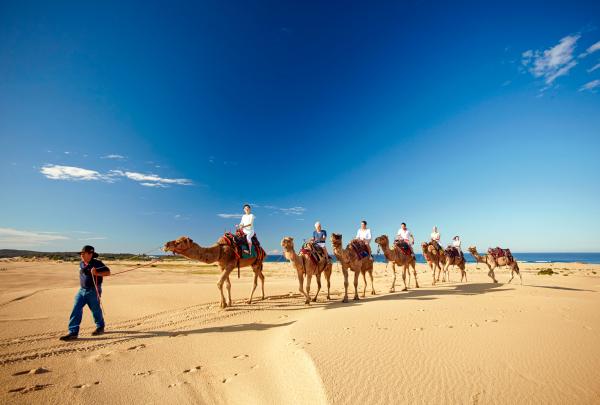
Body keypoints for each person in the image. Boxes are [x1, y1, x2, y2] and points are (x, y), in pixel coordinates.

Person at [60, 245, 111, 341]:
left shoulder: (97, 263)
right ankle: (73, 332)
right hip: (82, 290)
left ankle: (100, 327)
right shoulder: (81, 264)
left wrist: (97, 273)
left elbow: (108, 272)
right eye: (81, 254)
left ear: (90, 254)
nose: (82, 255)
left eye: (84, 253)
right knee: (76, 308)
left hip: (94, 290)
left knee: (95, 310)